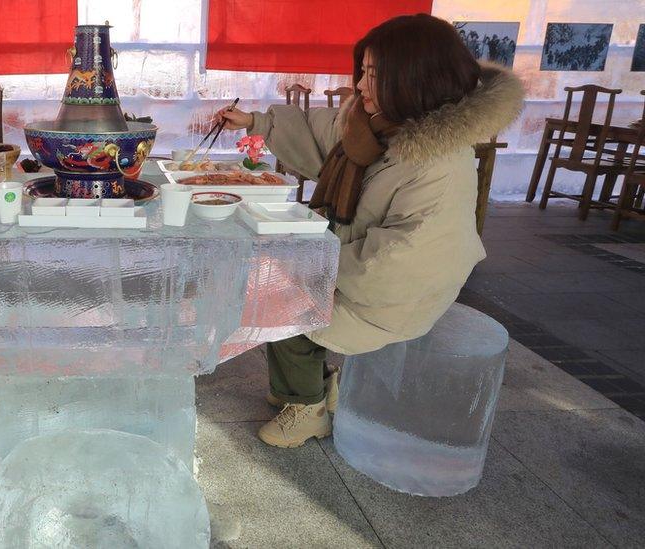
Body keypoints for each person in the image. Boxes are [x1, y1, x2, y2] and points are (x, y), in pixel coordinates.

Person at [215, 14, 524, 448]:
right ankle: (314, 382)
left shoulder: (440, 165)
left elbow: (405, 260)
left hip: (394, 297)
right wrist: (254, 122)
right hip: (357, 271)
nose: (359, 85)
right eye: (362, 71)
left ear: (414, 79)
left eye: (373, 75)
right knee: (276, 270)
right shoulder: (375, 124)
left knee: (275, 290)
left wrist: (312, 268)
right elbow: (322, 133)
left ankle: (308, 407)